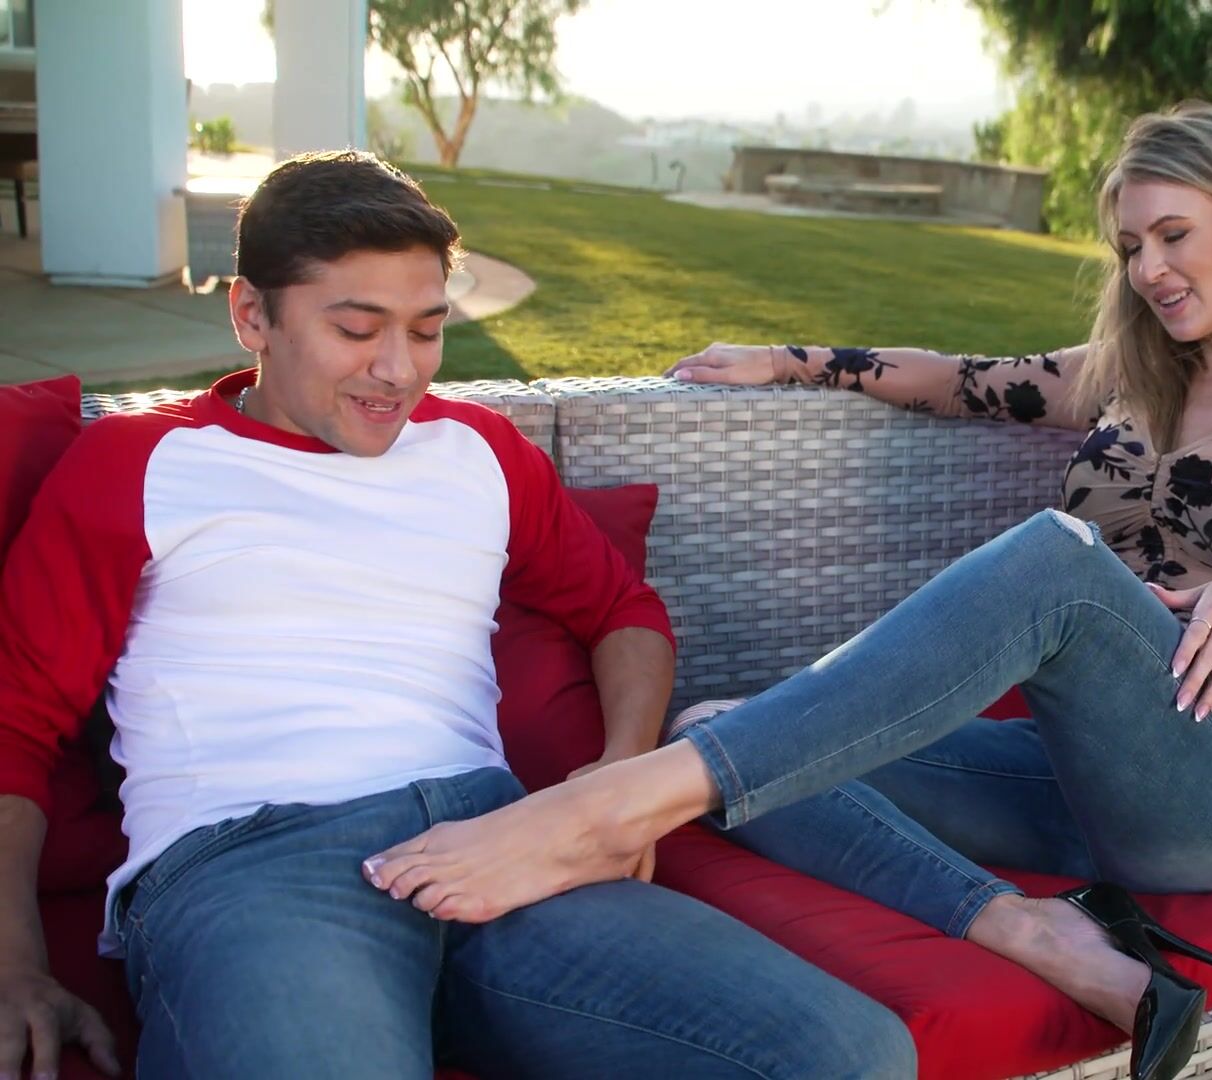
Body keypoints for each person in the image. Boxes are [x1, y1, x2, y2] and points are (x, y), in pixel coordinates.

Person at [365, 102, 1212, 1080]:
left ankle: (611, 803)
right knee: (733, 733)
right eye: (1130, 246)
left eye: (1173, 234)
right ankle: (1037, 930)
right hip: (1075, 778)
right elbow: (961, 381)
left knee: (1057, 558)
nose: (1148, 268)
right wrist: (785, 361)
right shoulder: (1134, 373)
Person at [0, 151, 915, 1080]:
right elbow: (14, 728)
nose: (397, 371)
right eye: (356, 329)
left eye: (428, 330)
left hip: (503, 837)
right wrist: (13, 964)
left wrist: (617, 782)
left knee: (847, 1054)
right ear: (251, 315)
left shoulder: (479, 448)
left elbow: (622, 611)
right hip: (259, 864)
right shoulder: (140, 462)